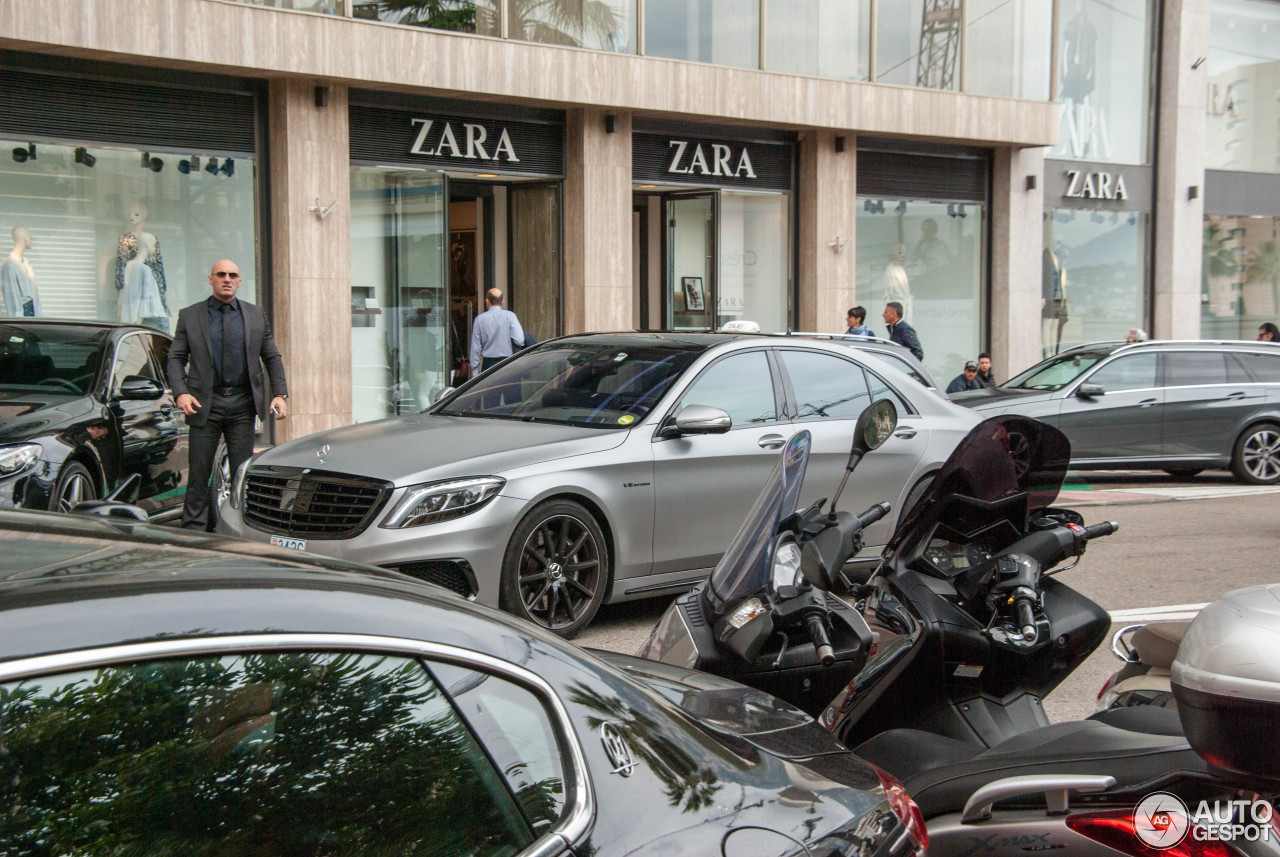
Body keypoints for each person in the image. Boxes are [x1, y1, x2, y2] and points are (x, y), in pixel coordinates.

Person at [166, 260, 288, 531]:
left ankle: (241, 531)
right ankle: (192, 535)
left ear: (239, 281)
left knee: (242, 475)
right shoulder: (190, 315)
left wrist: (280, 394)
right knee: (198, 474)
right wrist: (181, 393)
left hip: (243, 404)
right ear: (210, 279)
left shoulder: (255, 314)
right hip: (203, 404)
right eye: (221, 274)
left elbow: (271, 355)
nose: (227, 279)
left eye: (233, 275)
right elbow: (175, 358)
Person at [469, 287, 524, 376]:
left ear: (487, 301)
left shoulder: (479, 320)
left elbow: (476, 348)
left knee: (490, 389)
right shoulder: (510, 316)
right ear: (502, 301)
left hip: (488, 364)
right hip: (508, 363)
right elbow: (519, 340)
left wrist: (475, 371)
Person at [2, 226, 41, 317]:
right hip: (22, 321)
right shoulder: (10, 265)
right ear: (24, 237)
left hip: (33, 319)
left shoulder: (26, 264)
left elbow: (34, 297)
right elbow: (12, 297)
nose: (31, 240)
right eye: (30, 237)